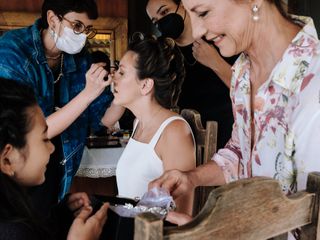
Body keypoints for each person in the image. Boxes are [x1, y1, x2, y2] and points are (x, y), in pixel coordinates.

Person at [149, 0, 320, 230]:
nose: (198, 31)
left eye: (203, 12)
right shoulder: (242, 72)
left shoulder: (314, 79)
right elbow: (241, 153)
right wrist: (193, 178)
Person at [0, 0, 114, 218]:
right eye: (78, 26)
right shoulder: (11, 53)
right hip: (17, 172)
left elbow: (100, 119)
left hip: (58, 170)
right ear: (53, 19)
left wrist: (120, 92)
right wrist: (88, 94)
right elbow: (30, 130)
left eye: (87, 29)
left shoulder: (80, 59)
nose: (82, 36)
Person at [0, 78, 109, 240]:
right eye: (44, 139)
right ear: (8, 160)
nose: (52, 148)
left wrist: (61, 213)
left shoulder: (16, 208)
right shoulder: (13, 232)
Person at [114, 33, 196, 215]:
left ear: (145, 85)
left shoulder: (174, 132)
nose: (114, 79)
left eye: (121, 72)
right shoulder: (138, 124)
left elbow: (181, 216)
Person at [146, 0, 236, 149]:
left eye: (164, 12)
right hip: (183, 141)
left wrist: (215, 62)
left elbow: (245, 89)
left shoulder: (218, 39)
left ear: (183, 5)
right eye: (156, 21)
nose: (162, 22)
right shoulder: (163, 55)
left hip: (227, 137)